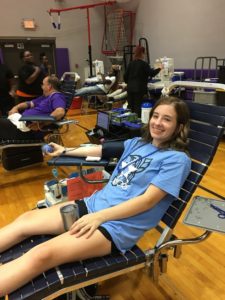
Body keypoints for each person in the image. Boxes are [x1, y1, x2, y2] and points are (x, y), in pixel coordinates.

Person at [0, 97, 191, 296]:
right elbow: (99, 149)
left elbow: (148, 200)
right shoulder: (137, 143)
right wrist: (65, 150)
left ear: (179, 127)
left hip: (115, 226)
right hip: (93, 206)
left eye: (167, 119)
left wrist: (100, 217)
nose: (158, 123)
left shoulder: (177, 160)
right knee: (25, 221)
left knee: (41, 255)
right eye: (156, 116)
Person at [0, 75, 66, 142]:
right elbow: (28, 103)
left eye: (43, 84)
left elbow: (60, 112)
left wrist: (42, 124)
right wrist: (15, 107)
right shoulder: (45, 97)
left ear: (49, 86)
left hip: (29, 129)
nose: (41, 87)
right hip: (22, 122)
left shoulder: (57, 96)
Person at [124, 45, 161, 117]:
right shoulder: (144, 64)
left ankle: (129, 123)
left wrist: (129, 83)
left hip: (130, 88)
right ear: (142, 53)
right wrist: (159, 68)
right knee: (138, 107)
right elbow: (152, 73)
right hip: (139, 89)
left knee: (130, 106)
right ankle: (136, 125)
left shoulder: (131, 63)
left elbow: (125, 76)